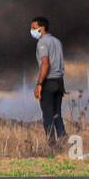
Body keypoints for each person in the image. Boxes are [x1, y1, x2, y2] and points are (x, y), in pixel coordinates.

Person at [31, 16, 66, 148]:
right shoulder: (57, 41)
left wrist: (39, 84)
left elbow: (45, 64)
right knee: (57, 114)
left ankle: (52, 146)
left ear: (42, 28)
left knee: (48, 116)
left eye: (34, 28)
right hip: (59, 82)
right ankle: (64, 143)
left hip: (49, 82)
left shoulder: (42, 43)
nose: (32, 30)